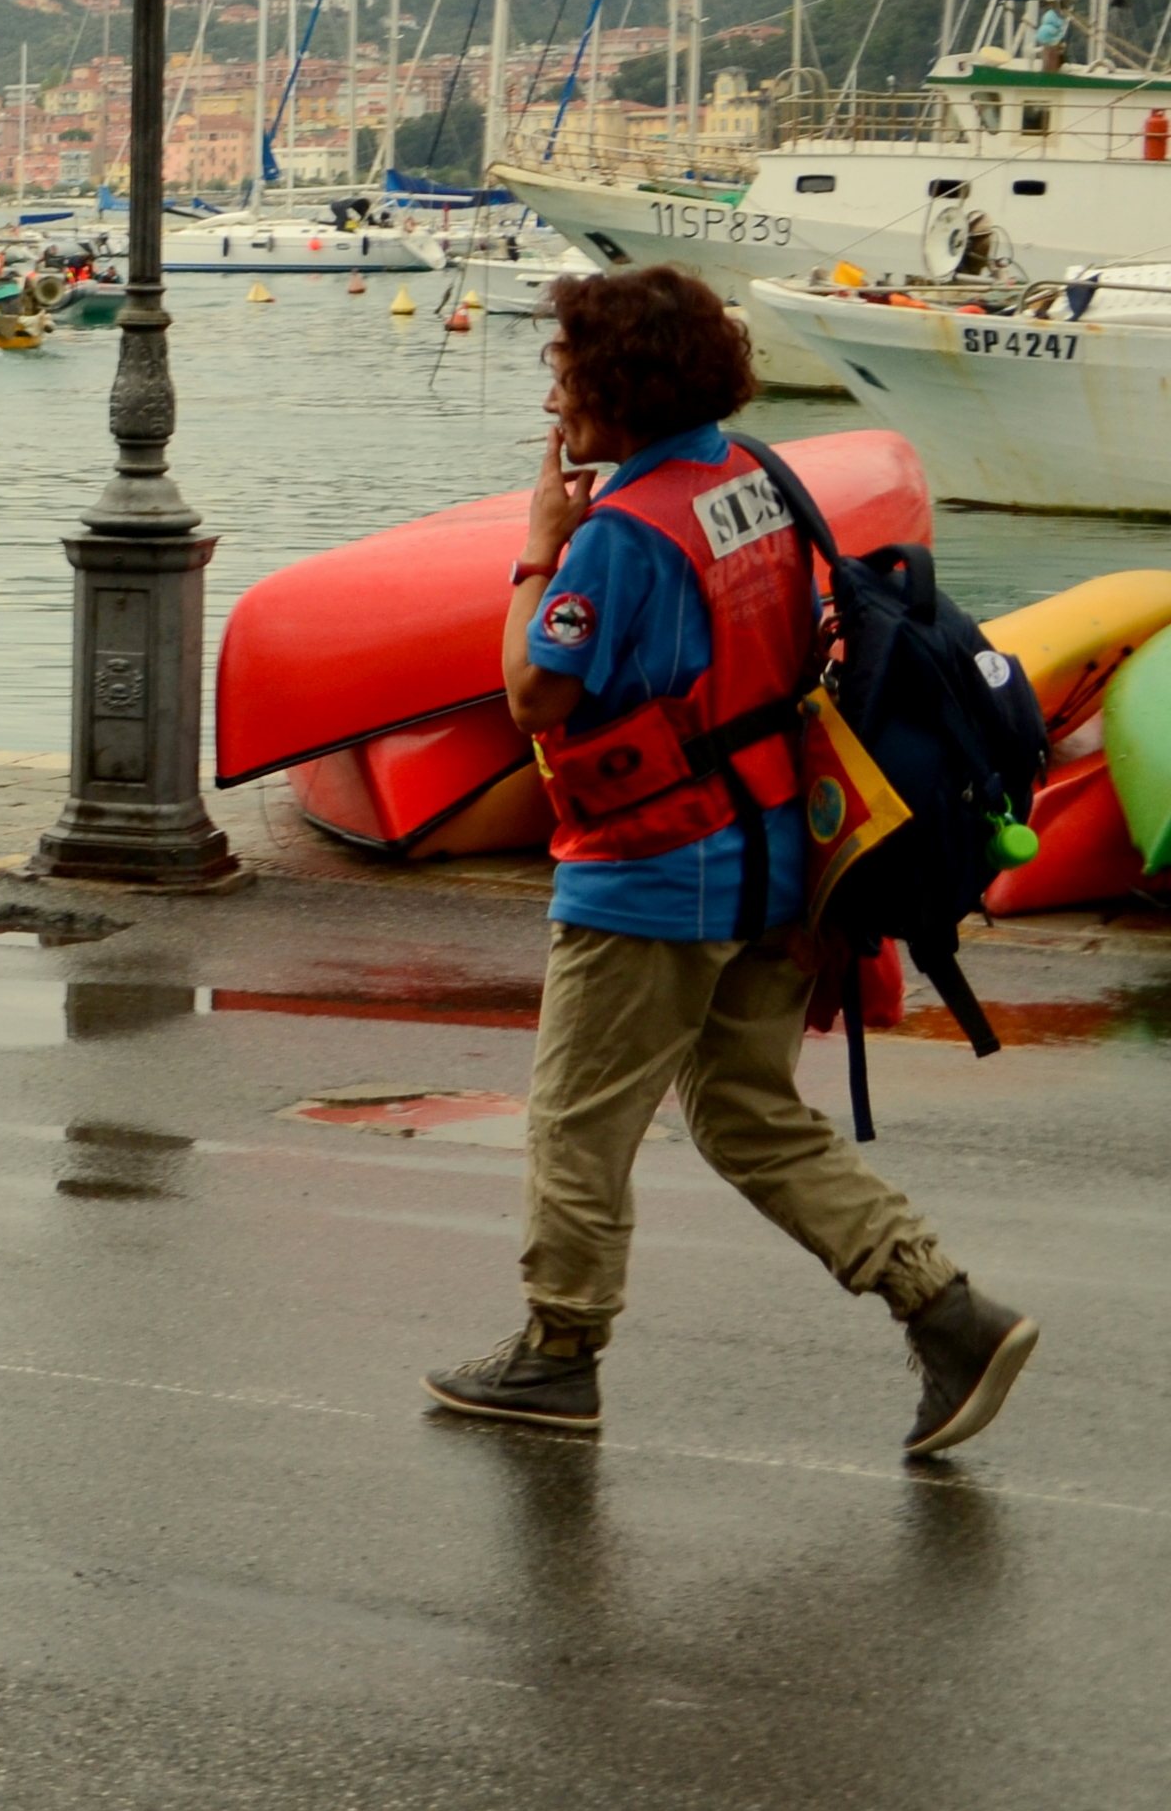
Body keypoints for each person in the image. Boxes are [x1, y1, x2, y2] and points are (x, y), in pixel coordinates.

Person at [426, 264, 1039, 1455]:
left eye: (563, 377)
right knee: (749, 1112)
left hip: (655, 872)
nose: (553, 401)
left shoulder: (616, 538)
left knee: (576, 1121)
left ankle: (557, 1355)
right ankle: (946, 1312)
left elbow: (534, 695)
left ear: (616, 388)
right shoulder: (754, 476)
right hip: (778, 858)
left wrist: (535, 552)